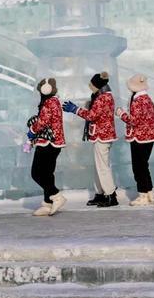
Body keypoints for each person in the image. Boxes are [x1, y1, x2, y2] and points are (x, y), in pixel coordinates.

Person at [63, 71, 118, 207]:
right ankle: (100, 193)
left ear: (97, 85)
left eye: (92, 85)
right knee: (99, 167)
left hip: (102, 136)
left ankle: (111, 195)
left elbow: (92, 116)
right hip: (101, 135)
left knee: (103, 167)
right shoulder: (102, 96)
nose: (90, 87)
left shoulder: (103, 98)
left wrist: (75, 110)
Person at [26, 77, 67, 217]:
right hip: (54, 143)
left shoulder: (50, 103)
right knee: (47, 174)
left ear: (45, 90)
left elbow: (42, 122)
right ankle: (47, 203)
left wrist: (32, 130)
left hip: (48, 143)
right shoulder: (53, 101)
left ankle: (56, 195)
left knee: (36, 173)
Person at [117, 73, 154, 205]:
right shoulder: (148, 99)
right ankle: (149, 192)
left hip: (139, 137)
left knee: (138, 167)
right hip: (149, 137)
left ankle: (143, 195)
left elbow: (133, 121)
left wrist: (121, 114)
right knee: (144, 165)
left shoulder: (137, 101)